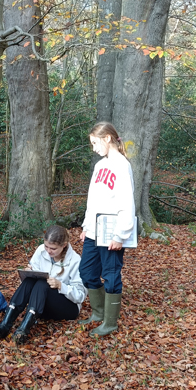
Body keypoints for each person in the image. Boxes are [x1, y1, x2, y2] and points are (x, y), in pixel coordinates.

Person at [80, 121, 136, 337]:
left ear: (107, 138)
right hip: (94, 231)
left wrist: (120, 235)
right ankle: (98, 313)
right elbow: (92, 201)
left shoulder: (122, 165)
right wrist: (86, 226)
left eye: (95, 143)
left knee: (110, 276)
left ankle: (110, 323)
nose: (94, 148)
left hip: (112, 233)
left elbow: (126, 203)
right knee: (86, 272)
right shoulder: (100, 166)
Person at [0, 225, 86, 344]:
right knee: (30, 280)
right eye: (46, 246)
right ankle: (5, 325)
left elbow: (80, 296)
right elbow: (32, 280)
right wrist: (29, 272)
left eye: (53, 248)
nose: (48, 251)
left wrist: (61, 285)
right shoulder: (41, 250)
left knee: (42, 283)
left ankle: (23, 330)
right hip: (39, 305)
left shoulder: (75, 260)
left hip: (68, 307)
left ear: (64, 245)